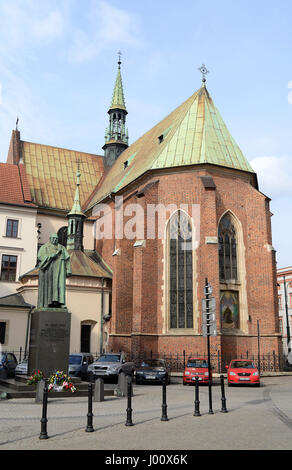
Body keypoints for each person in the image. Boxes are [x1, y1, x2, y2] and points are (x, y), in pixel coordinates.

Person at [37, 233, 72, 309]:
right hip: (49, 270)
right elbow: (40, 256)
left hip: (60, 269)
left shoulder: (61, 248)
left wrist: (68, 269)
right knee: (50, 286)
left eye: (56, 238)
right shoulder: (45, 247)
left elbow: (67, 259)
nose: (55, 240)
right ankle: (49, 302)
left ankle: (60, 303)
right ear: (50, 239)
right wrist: (49, 256)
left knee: (60, 286)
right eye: (54, 238)